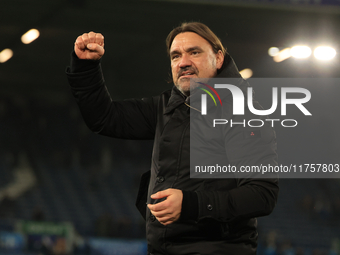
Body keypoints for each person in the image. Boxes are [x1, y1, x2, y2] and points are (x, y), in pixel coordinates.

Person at [66, 22, 279, 255]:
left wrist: (190, 204)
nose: (183, 62)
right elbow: (104, 118)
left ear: (218, 59)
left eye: (194, 52)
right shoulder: (167, 107)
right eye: (175, 55)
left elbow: (262, 194)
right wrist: (87, 67)